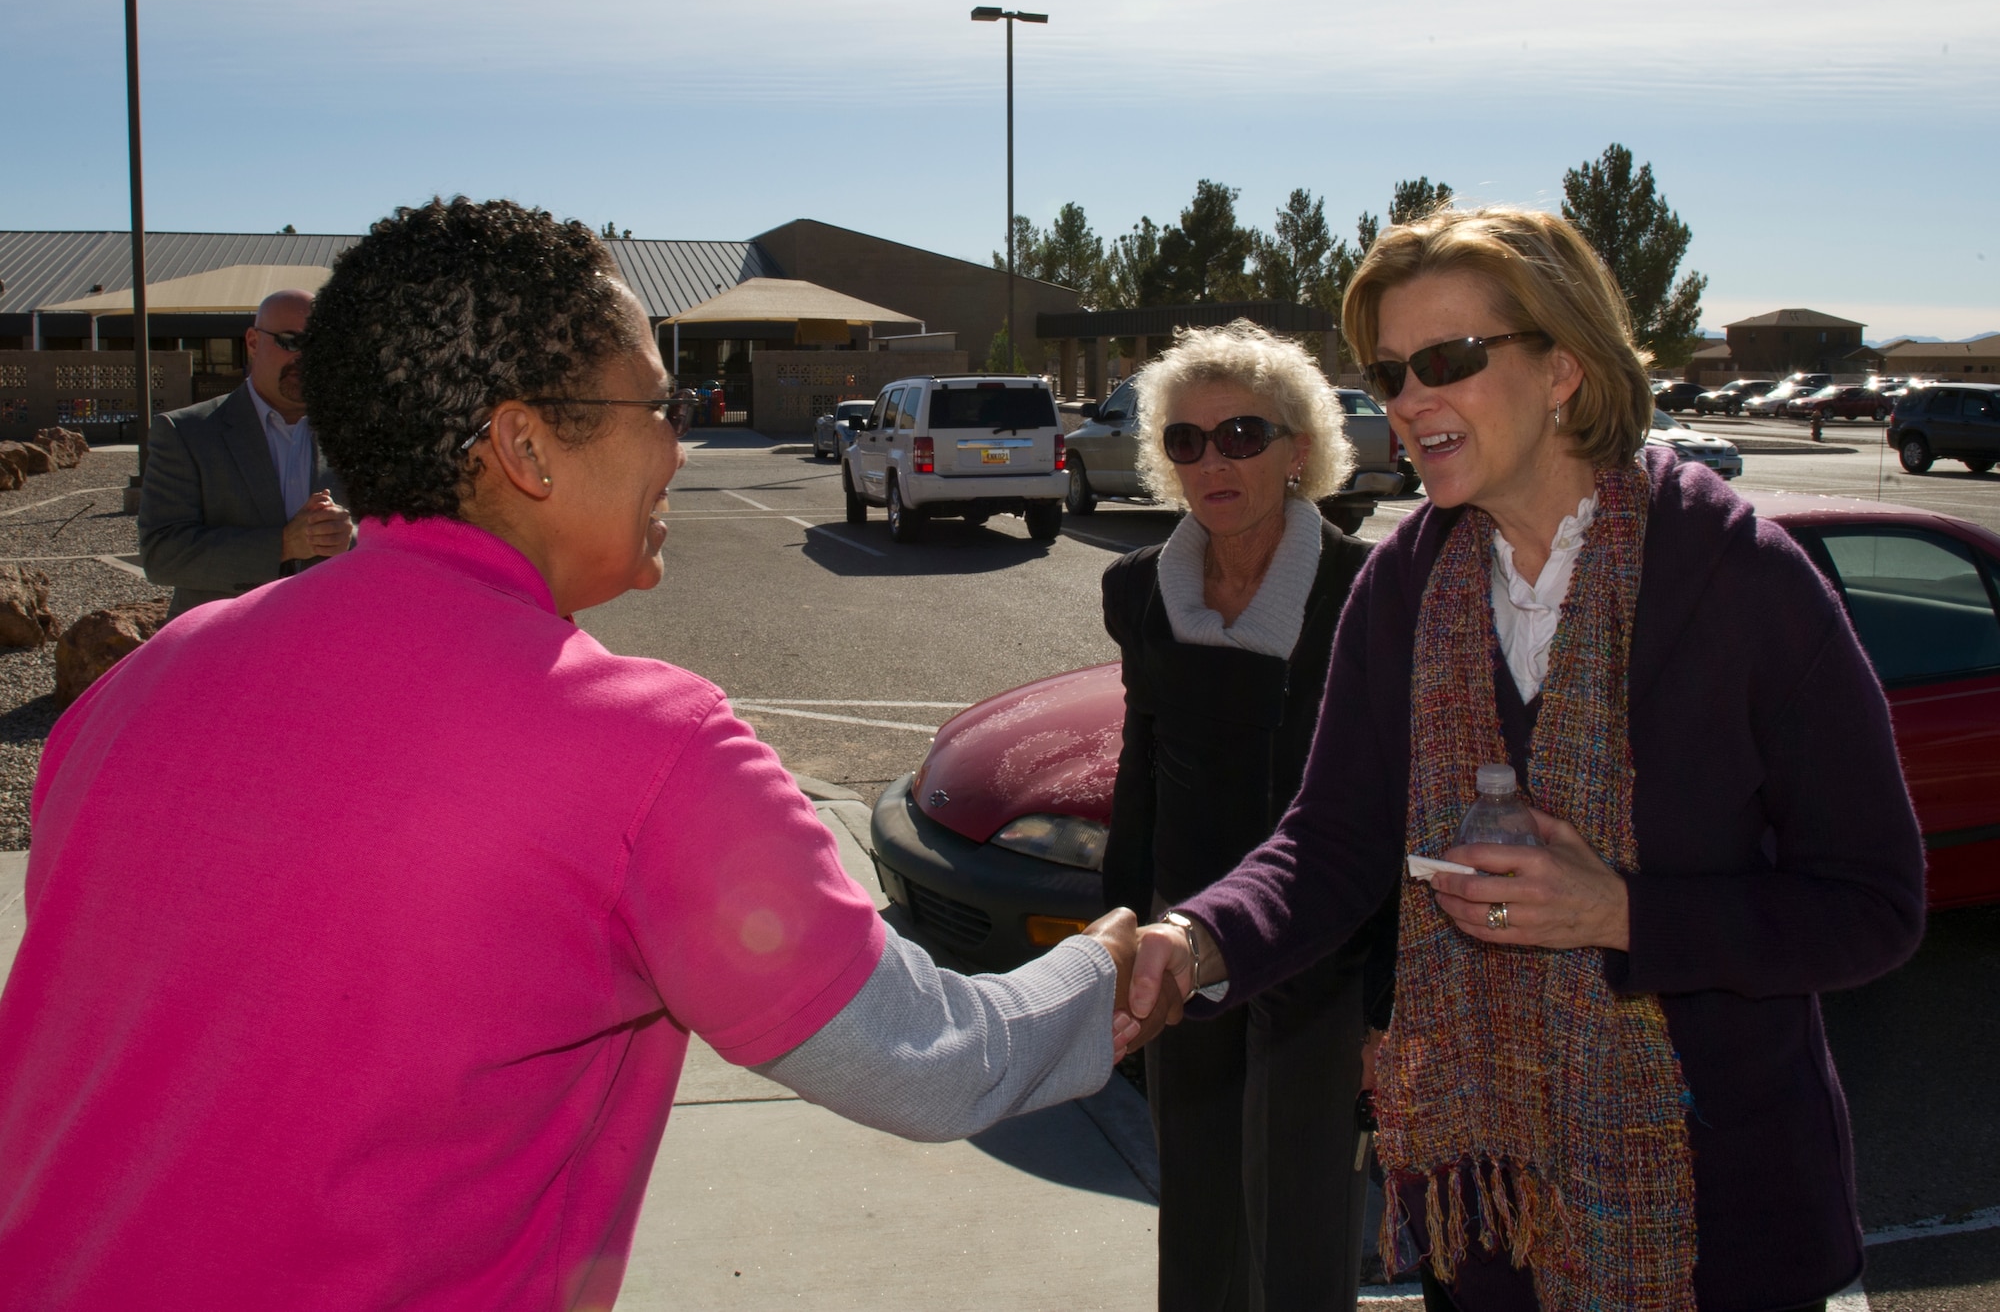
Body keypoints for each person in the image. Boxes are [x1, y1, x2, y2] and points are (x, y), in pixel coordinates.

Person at [0, 197, 1141, 1310]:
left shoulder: (131, 691)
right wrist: (1114, 970)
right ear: (525, 444)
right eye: (658, 402)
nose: (681, 444)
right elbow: (931, 1057)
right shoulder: (648, 750)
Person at [1121, 206, 1926, 1312]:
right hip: (1486, 1222)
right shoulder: (1404, 585)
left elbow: (1872, 905)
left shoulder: (1742, 581)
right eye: (1390, 370)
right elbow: (1332, 840)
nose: (1406, 401)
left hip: (1722, 1225)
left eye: (1446, 360)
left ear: (1563, 367)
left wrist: (1621, 913)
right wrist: (1194, 938)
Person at [1099, 320, 1390, 1311]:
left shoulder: (1365, 590)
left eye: (1240, 434)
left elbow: (1390, 805)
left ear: (1298, 449)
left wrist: (1389, 1002)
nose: (1210, 459)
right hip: (1180, 944)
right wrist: (1118, 932)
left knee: (1302, 1230)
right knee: (1197, 1217)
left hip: (1316, 954)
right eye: (1184, 441)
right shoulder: (1138, 590)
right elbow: (1140, 766)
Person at [138, 288, 354, 618]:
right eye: (289, 341)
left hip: (330, 643)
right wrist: (284, 544)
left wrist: (348, 535)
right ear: (252, 342)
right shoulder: (187, 433)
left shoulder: (357, 434)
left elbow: (391, 529)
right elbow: (162, 555)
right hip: (224, 647)